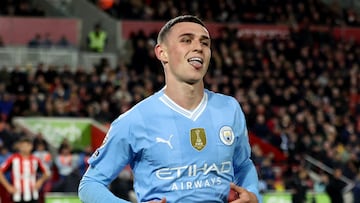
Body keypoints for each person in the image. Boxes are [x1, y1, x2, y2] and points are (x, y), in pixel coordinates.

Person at [79, 15, 261, 203]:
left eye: (205, 43)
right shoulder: (134, 120)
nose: (198, 47)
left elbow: (243, 165)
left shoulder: (229, 108)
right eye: (186, 40)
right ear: (162, 53)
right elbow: (90, 184)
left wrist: (253, 194)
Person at [0, 136, 50, 203]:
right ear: (19, 147)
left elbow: (47, 173)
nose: (25, 148)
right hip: (18, 194)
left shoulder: (35, 159)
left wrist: (40, 181)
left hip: (33, 193)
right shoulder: (13, 159)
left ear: (31, 147)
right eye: (23, 146)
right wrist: (8, 186)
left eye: (27, 146)